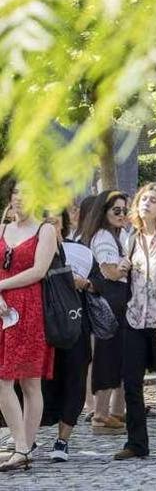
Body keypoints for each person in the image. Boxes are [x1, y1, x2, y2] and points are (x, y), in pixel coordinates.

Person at [113, 183, 156, 462]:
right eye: (143, 199)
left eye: (153, 201)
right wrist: (122, 269)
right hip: (134, 320)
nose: (146, 204)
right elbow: (129, 278)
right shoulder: (132, 239)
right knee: (131, 382)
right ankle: (136, 443)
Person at [0, 184, 57, 472]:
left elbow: (38, 271)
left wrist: (1, 286)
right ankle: (20, 445)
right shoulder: (2, 228)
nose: (20, 197)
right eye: (16, 192)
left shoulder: (45, 230)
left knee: (30, 382)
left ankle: (24, 447)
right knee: (3, 380)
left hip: (29, 308)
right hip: (2, 308)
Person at [41, 210, 93, 463]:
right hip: (39, 322)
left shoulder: (79, 250)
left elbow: (96, 283)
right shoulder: (33, 247)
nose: (50, 221)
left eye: (54, 217)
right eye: (45, 217)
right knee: (37, 382)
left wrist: (81, 283)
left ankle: (63, 439)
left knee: (74, 377)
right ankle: (27, 436)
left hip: (72, 321)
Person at [79, 190, 130, 435]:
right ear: (104, 212)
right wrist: (128, 266)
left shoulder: (115, 234)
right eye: (116, 211)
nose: (122, 215)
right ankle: (101, 414)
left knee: (116, 358)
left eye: (124, 210)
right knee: (108, 358)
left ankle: (110, 412)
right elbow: (110, 271)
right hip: (112, 302)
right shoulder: (103, 237)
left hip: (116, 301)